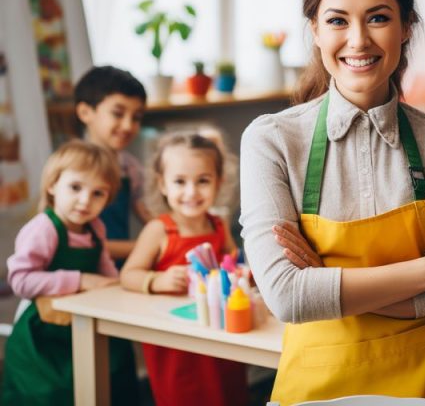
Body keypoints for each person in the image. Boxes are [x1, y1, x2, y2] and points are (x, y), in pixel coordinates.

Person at [239, 0, 425, 404]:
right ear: (315, 31)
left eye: (378, 17)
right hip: (321, 382)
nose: (358, 40)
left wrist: (324, 280)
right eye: (337, 20)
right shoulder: (271, 141)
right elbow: (287, 298)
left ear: (406, 28)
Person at [2, 140, 139, 405]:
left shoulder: (94, 228)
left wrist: (120, 289)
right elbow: (20, 281)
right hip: (46, 335)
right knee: (56, 395)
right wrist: (80, 280)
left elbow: (106, 271)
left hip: (85, 323)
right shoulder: (44, 228)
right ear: (53, 185)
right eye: (75, 187)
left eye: (98, 193)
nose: (85, 201)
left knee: (116, 375)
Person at [120, 132, 247, 406]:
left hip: (217, 330)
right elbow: (129, 274)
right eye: (180, 182)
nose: (191, 192)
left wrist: (237, 273)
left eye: (203, 181)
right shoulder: (160, 230)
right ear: (162, 185)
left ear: (219, 183)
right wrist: (157, 280)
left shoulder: (218, 225)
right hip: (177, 342)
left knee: (226, 392)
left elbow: (230, 260)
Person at [74, 65, 152, 261]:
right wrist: (148, 247)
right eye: (118, 113)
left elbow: (150, 217)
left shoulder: (129, 167)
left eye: (136, 117)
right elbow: (74, 243)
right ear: (85, 112)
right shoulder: (70, 166)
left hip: (118, 271)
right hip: (80, 270)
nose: (128, 126)